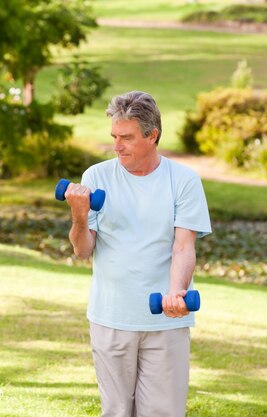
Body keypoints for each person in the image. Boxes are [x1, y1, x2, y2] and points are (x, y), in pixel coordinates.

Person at [64, 91, 212, 417]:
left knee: (164, 413)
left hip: (165, 319)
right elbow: (82, 249)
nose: (117, 146)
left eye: (126, 138)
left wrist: (176, 292)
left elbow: (184, 247)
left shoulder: (183, 181)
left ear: (152, 135)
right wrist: (79, 214)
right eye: (114, 136)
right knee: (117, 411)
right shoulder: (96, 177)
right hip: (111, 316)